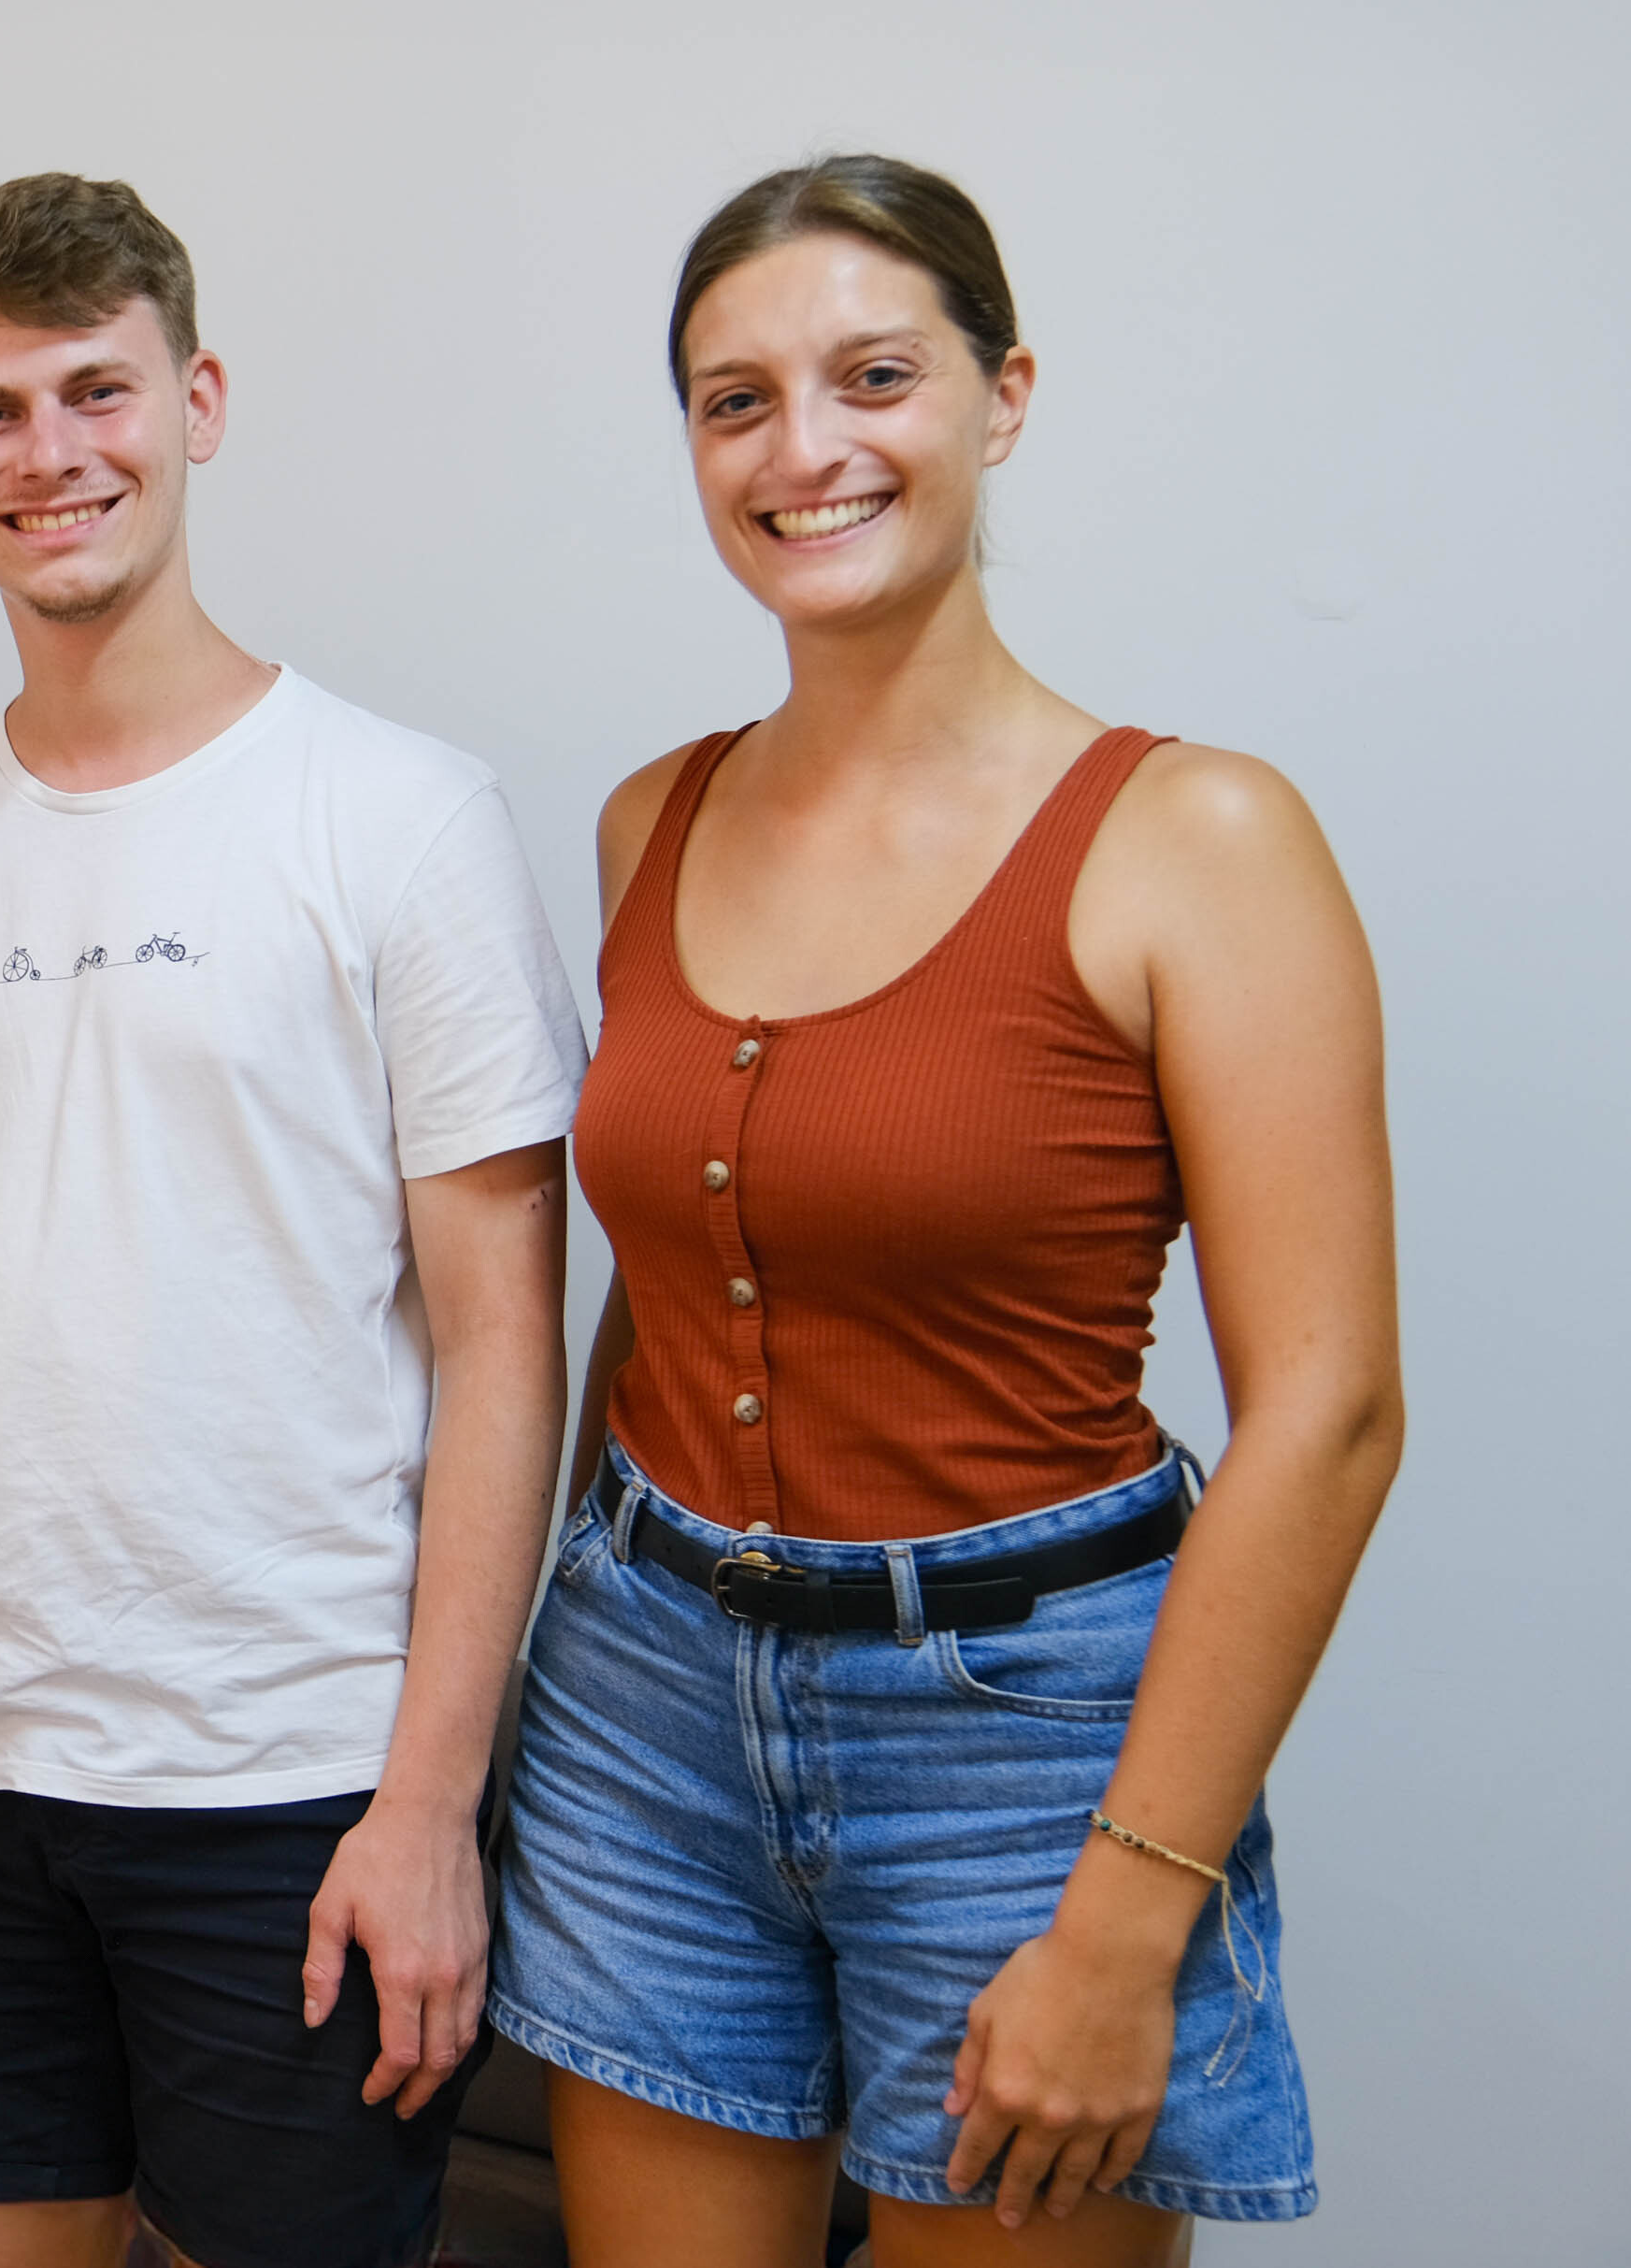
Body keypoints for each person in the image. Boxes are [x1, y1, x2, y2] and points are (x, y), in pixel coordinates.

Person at [489, 155, 1401, 2264]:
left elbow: (1332, 1414)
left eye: (869, 375)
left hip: (1025, 1748)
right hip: (641, 1695)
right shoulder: (657, 812)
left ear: (1001, 395)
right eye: (734, 401)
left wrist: (1132, 1910)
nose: (801, 449)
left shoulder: (1198, 837)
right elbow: (663, 1293)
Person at [0, 175, 591, 2268]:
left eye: (96, 390)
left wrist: (429, 1801)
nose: (54, 455)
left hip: (286, 1770)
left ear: (194, 399)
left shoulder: (398, 817)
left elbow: (507, 1340)